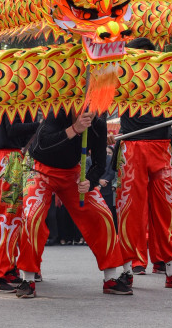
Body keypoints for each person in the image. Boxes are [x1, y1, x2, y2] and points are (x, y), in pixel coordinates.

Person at [17, 109, 129, 298]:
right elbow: (42, 144)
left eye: (95, 108)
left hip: (73, 173)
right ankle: (27, 279)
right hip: (39, 169)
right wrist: (74, 129)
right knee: (31, 216)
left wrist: (90, 181)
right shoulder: (57, 113)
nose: (90, 112)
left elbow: (100, 163)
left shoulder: (98, 125)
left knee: (102, 214)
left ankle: (110, 277)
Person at [0, 114, 40, 292]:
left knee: (0, 216)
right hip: (9, 159)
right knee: (7, 218)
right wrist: (38, 125)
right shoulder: (12, 100)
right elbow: (12, 129)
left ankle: (5, 267)